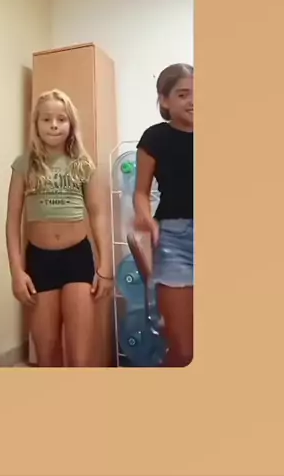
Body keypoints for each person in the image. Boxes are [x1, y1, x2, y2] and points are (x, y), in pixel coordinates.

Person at [6, 89, 113, 367]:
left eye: (61, 119)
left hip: (77, 258)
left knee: (80, 356)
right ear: (36, 124)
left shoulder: (82, 164)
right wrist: (16, 271)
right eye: (46, 119)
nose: (54, 125)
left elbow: (98, 215)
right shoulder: (23, 165)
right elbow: (13, 220)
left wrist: (106, 266)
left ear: (71, 124)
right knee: (47, 354)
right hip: (39, 261)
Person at [133, 63, 194, 367]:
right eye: (183, 94)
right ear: (165, 100)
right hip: (175, 242)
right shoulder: (154, 138)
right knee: (184, 350)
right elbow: (140, 192)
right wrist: (146, 219)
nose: (193, 101)